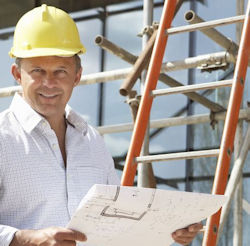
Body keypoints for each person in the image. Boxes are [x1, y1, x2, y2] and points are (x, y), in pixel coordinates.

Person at [0, 4, 202, 246]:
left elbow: (116, 224)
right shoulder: (3, 138)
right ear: (17, 74)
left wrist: (168, 229)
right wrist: (24, 239)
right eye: (37, 71)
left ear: (77, 76)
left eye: (60, 71)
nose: (49, 83)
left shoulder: (91, 141)